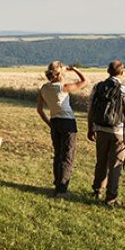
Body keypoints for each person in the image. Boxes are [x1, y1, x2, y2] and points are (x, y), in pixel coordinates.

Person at [87, 59, 125, 207]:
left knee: (101, 161)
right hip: (118, 132)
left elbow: (90, 110)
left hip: (100, 129)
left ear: (108, 71)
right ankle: (111, 198)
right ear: (122, 72)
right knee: (115, 165)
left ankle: (97, 190)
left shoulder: (98, 87)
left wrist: (90, 128)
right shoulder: (124, 90)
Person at [37, 61, 88, 196]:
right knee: (67, 156)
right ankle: (62, 189)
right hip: (68, 123)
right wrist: (75, 69)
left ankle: (57, 182)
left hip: (55, 121)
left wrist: (49, 123)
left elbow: (40, 110)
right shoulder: (63, 88)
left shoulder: (44, 88)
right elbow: (85, 81)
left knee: (58, 154)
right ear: (60, 74)